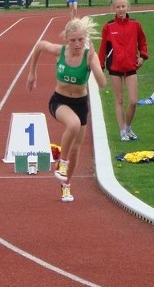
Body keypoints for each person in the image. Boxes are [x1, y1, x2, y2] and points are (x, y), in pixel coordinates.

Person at [26, 17, 106, 202]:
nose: (77, 44)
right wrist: (32, 72)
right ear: (66, 39)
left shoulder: (89, 55)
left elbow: (102, 83)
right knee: (73, 124)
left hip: (80, 103)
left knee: (76, 148)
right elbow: (39, 46)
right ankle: (62, 162)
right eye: (73, 40)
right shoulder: (59, 51)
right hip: (59, 101)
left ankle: (66, 185)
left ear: (85, 38)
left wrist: (95, 62)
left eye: (80, 40)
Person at [98, 0, 148, 141]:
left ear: (128, 7)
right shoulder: (109, 26)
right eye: (118, 7)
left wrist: (143, 56)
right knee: (119, 100)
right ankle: (122, 132)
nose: (121, 9)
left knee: (133, 101)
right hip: (114, 67)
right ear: (114, 8)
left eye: (123, 6)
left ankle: (128, 128)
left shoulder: (135, 24)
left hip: (131, 66)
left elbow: (143, 42)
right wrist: (100, 66)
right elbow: (102, 48)